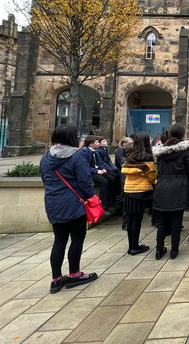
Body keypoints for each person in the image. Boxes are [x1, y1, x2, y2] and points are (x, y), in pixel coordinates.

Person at [40, 124, 98, 293]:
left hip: (52, 203)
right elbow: (85, 180)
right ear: (71, 137)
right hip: (73, 203)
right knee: (77, 238)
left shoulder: (46, 157)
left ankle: (56, 279)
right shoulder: (76, 155)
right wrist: (91, 198)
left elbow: (44, 179)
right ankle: (74, 274)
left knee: (59, 240)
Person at [153, 124, 189, 260]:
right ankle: (174, 250)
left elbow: (159, 169)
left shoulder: (161, 151)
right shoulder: (185, 150)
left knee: (162, 220)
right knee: (177, 219)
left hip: (162, 185)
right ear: (182, 135)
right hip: (179, 185)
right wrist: (184, 181)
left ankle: (159, 250)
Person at [121, 132, 156, 256]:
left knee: (131, 220)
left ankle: (132, 245)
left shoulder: (130, 154)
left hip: (129, 190)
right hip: (141, 191)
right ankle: (135, 246)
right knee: (137, 219)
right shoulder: (146, 156)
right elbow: (152, 175)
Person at [79, 135, 117, 218]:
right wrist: (96, 171)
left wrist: (103, 169)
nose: (98, 144)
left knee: (112, 178)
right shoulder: (85, 152)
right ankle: (104, 206)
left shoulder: (96, 152)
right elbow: (85, 167)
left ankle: (111, 202)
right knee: (104, 182)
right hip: (91, 173)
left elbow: (100, 163)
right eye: (96, 142)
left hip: (98, 170)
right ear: (91, 144)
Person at [96, 137, 121, 212]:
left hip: (107, 168)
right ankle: (110, 202)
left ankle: (115, 199)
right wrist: (110, 169)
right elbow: (102, 163)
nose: (106, 142)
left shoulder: (106, 149)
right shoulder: (99, 151)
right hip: (103, 169)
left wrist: (114, 168)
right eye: (104, 141)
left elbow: (109, 161)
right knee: (111, 179)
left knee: (117, 176)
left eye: (106, 140)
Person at [115, 137, 132, 230]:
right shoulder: (120, 151)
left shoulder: (127, 152)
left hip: (126, 177)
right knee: (125, 199)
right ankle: (125, 223)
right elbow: (122, 163)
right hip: (123, 176)